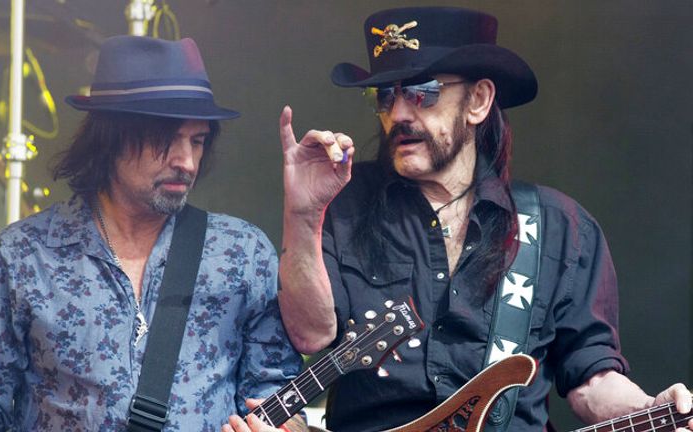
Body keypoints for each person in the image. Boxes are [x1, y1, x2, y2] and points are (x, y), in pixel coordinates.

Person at [277, 7, 693, 432]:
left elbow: (591, 379)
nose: (399, 113)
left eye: (422, 91)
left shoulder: (560, 227)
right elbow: (311, 336)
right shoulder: (343, 201)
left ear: (478, 101)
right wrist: (303, 214)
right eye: (385, 96)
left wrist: (650, 406)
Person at [0, 36, 306, 432]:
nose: (187, 161)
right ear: (111, 138)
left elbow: (277, 393)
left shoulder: (241, 253)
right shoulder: (24, 254)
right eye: (167, 140)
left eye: (197, 141)